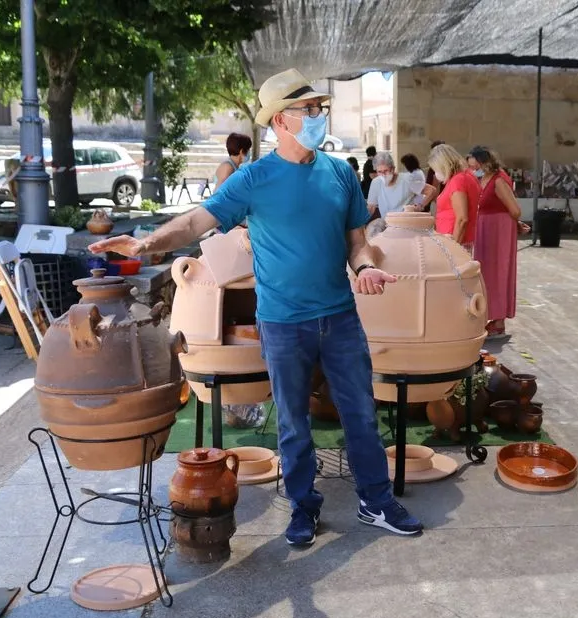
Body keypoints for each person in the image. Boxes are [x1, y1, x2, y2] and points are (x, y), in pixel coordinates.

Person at [87, 68, 423, 548]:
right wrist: (146, 244)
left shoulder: (340, 172)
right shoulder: (253, 179)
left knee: (361, 414)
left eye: (319, 109)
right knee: (292, 421)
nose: (317, 116)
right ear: (281, 121)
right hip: (284, 323)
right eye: (308, 110)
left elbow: (357, 241)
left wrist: (366, 265)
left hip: (340, 317)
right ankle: (305, 507)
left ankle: (376, 500)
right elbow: (197, 222)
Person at [467, 146, 523, 338]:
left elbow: (514, 209)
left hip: (498, 230)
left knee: (499, 271)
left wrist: (512, 224)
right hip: (488, 228)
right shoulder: (485, 178)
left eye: (475, 166)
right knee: (488, 272)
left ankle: (499, 319)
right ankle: (493, 316)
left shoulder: (498, 180)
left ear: (484, 163)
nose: (473, 170)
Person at [423, 143, 480, 248]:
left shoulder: (458, 180)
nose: (436, 173)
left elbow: (462, 218)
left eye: (436, 169)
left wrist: (453, 248)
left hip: (455, 241)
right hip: (457, 239)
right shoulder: (466, 175)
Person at [366, 152, 435, 237]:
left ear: (393, 169)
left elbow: (431, 191)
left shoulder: (407, 179)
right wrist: (361, 223)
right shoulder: (376, 183)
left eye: (386, 171)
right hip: (387, 228)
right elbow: (371, 207)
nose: (383, 175)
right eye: (379, 172)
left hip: (407, 228)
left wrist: (420, 205)